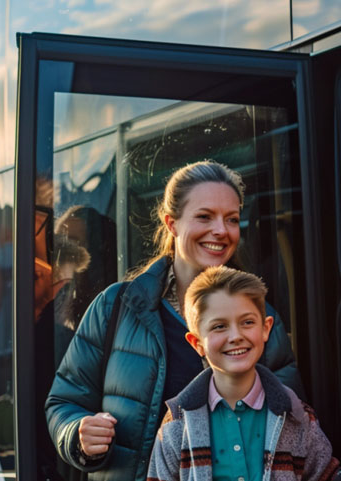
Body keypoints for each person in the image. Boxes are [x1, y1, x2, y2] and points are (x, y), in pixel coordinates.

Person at [46, 160, 303, 481]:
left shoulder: (263, 319)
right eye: (204, 217)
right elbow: (63, 401)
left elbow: (292, 424)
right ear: (171, 223)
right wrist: (77, 433)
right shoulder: (115, 306)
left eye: (232, 219)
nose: (221, 231)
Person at [147, 266, 339, 481]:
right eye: (219, 326)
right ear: (197, 343)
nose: (236, 336)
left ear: (265, 329)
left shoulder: (298, 417)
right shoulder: (176, 425)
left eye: (247, 322)